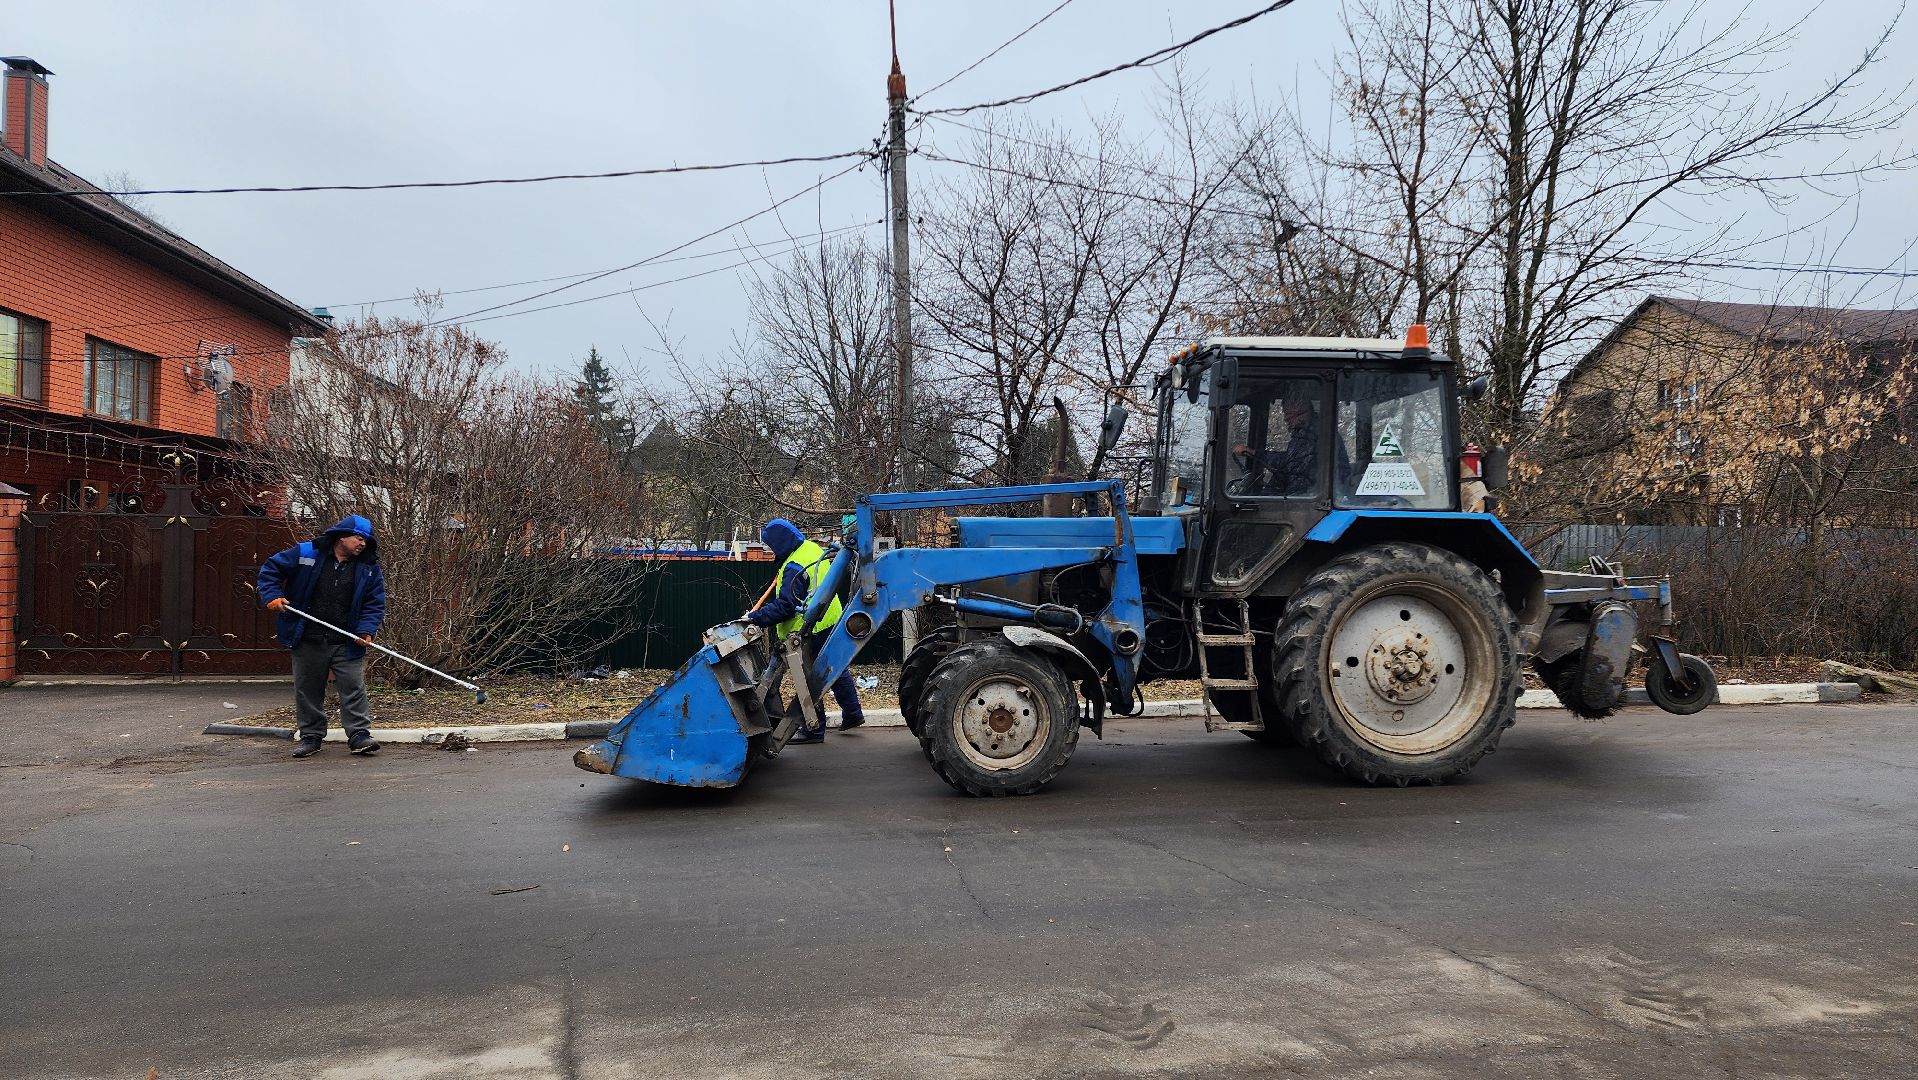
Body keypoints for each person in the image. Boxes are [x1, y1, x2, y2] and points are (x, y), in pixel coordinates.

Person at [257, 514, 388, 759]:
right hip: (307, 635)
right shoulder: (306, 553)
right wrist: (272, 595)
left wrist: (366, 630)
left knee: (353, 686)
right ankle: (311, 736)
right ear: (341, 537)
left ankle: (359, 735)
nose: (363, 544)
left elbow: (375, 603)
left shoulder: (369, 569)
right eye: (359, 538)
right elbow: (271, 569)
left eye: (367, 541)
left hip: (346, 639)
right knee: (308, 688)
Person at [746, 518, 863, 743]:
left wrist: (755, 618)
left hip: (806, 630)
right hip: (829, 619)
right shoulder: (811, 549)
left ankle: (814, 729)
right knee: (834, 668)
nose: (770, 551)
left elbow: (786, 607)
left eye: (771, 546)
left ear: (779, 543)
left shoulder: (794, 566)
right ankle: (853, 713)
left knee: (807, 680)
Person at [1231, 397, 1319, 496]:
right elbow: (1289, 460)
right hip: (1301, 492)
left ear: (1302, 411)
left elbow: (1292, 463)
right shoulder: (1303, 433)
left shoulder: (1314, 434)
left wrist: (1254, 453)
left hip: (1306, 496)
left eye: (1288, 414)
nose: (1285, 419)